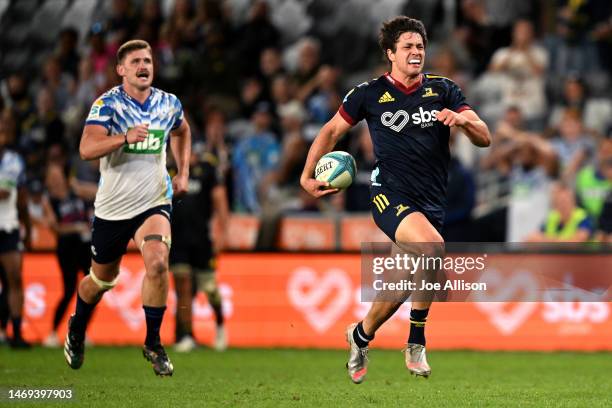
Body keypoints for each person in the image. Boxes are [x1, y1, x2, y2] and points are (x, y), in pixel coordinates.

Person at [300, 17, 491, 383]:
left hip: (432, 202)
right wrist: (306, 176)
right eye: (407, 46)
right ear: (390, 53)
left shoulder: (445, 89)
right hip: (390, 195)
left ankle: (360, 334)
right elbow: (331, 131)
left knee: (398, 284)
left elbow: (485, 136)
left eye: (420, 46)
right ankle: (416, 341)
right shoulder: (368, 94)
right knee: (433, 248)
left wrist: (464, 123)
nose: (416, 52)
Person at [63, 40, 191, 377]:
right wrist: (124, 137)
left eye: (147, 60)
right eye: (135, 61)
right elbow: (87, 148)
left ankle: (153, 343)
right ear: (121, 69)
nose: (143, 65)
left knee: (158, 263)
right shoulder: (108, 105)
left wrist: (184, 170)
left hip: (153, 200)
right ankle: (77, 328)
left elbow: (182, 130)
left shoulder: (168, 103)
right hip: (113, 208)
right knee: (99, 282)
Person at [171, 142, 229, 353]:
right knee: (183, 285)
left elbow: (220, 202)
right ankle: (185, 335)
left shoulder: (207, 170)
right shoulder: (168, 170)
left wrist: (222, 235)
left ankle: (221, 325)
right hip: (176, 241)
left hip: (202, 240)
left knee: (211, 290)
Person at [41, 164, 92, 347]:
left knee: (93, 288)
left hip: (85, 245)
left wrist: (77, 186)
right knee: (69, 289)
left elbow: (98, 190)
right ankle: (53, 332)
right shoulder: (49, 200)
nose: (55, 179)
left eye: (57, 175)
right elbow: (55, 228)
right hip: (67, 247)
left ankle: (81, 332)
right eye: (51, 176)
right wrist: (76, 227)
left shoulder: (75, 190)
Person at [0, 114, 32, 348]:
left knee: (15, 280)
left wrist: (28, 228)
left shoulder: (15, 160)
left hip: (9, 225)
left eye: (8, 127)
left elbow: (21, 198)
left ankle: (17, 333)